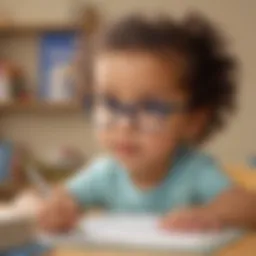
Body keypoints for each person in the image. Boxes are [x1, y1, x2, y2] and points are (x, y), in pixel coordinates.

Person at [38, 12, 256, 235]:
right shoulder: (104, 174)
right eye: (110, 104)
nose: (124, 125)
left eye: (151, 108)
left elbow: (249, 206)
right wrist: (56, 209)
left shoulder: (194, 171)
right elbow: (59, 198)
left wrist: (211, 213)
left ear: (193, 121)